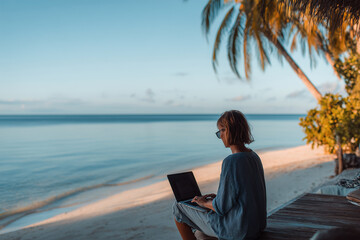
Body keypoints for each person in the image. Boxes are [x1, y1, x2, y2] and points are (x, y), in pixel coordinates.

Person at [173, 110, 267, 240]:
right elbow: (246, 193)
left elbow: (221, 207)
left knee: (178, 208)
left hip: (238, 229)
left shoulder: (231, 161)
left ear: (229, 131)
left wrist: (203, 202)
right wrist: (219, 197)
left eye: (221, 131)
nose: (220, 136)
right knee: (200, 230)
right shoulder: (253, 156)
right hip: (256, 225)